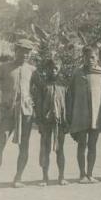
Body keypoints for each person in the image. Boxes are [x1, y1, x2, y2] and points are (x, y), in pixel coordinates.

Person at [0, 39, 39, 189]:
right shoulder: (4, 67)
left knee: (24, 146)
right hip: (8, 112)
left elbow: (41, 89)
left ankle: (18, 178)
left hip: (26, 114)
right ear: (15, 51)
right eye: (23, 51)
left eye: (28, 52)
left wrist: (34, 103)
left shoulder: (32, 70)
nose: (26, 55)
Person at [68, 45, 101, 184]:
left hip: (96, 116)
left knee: (93, 145)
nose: (89, 60)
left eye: (92, 57)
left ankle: (90, 174)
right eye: (86, 57)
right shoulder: (77, 73)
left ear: (97, 58)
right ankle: (82, 174)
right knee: (81, 144)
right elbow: (70, 93)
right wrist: (71, 113)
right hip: (81, 114)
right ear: (83, 58)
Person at [35, 58, 68, 186]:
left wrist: (66, 122)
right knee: (46, 150)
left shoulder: (64, 85)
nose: (53, 71)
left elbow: (68, 103)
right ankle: (45, 177)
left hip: (60, 122)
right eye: (51, 68)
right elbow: (38, 104)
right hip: (46, 122)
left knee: (60, 150)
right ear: (47, 69)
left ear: (60, 69)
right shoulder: (43, 85)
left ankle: (61, 177)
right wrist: (40, 122)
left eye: (56, 68)